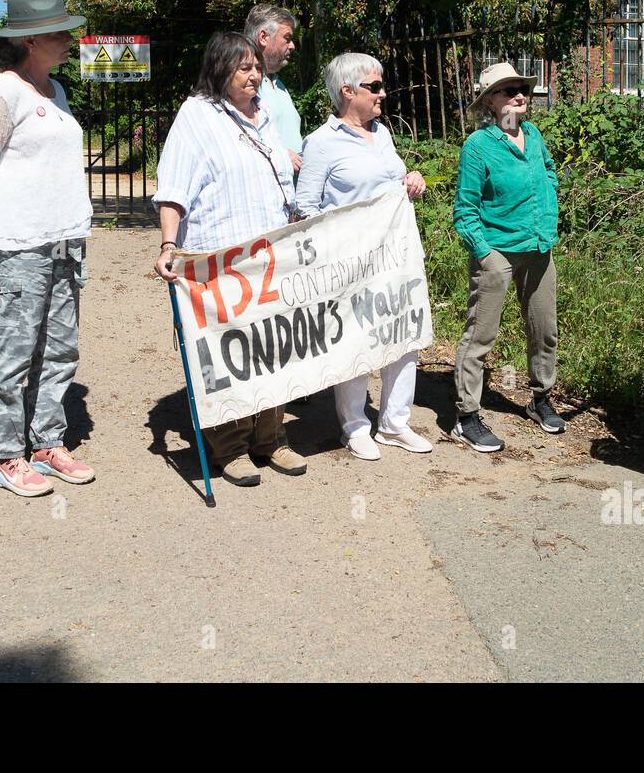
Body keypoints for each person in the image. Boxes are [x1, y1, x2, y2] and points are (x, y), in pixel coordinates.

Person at [152, 31, 307, 487]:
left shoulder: (265, 117)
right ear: (220, 69)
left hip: (270, 255)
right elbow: (173, 189)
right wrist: (168, 247)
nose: (255, 75)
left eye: (257, 66)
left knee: (274, 346)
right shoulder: (197, 116)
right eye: (245, 67)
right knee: (231, 351)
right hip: (220, 258)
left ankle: (271, 437)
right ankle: (230, 445)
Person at [0, 0, 96, 497]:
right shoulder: (2, 93)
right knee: (14, 351)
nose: (68, 38)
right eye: (59, 32)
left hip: (64, 238)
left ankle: (47, 442)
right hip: (19, 243)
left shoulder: (55, 90)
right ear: (31, 40)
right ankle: (8, 455)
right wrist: (24, 197)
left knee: (60, 347)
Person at [298, 53, 430, 460]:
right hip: (350, 260)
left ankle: (394, 423)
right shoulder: (321, 143)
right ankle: (355, 426)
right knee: (354, 337)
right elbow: (305, 206)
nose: (383, 94)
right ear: (347, 91)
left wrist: (412, 179)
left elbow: (393, 180)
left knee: (402, 333)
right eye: (375, 87)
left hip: (395, 255)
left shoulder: (383, 134)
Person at [451, 62, 563, 453]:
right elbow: (464, 210)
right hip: (497, 251)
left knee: (544, 329)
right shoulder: (478, 147)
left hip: (538, 247)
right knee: (481, 335)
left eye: (522, 89)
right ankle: (466, 416)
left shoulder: (533, 136)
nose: (519, 95)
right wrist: (485, 253)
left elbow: (549, 173)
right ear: (489, 101)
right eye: (508, 90)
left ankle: (540, 398)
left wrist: (549, 216)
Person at [244, 4, 302, 171]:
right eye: (287, 38)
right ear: (263, 37)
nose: (292, 46)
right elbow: (238, 137)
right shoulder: (242, 84)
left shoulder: (279, 84)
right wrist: (281, 156)